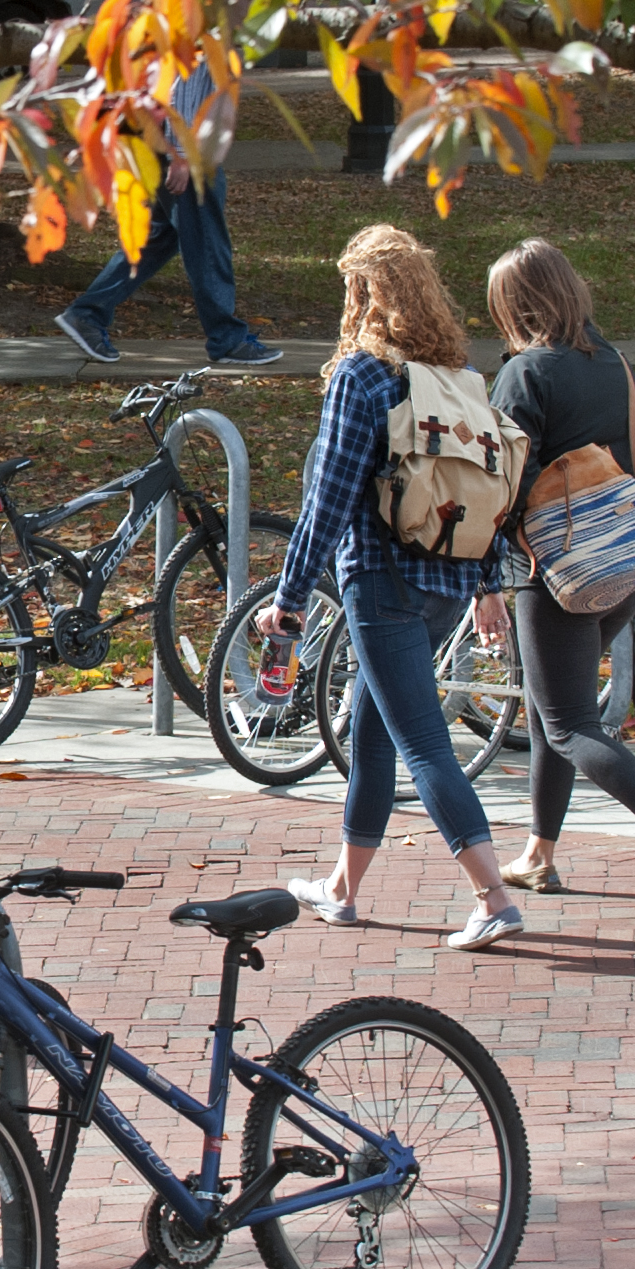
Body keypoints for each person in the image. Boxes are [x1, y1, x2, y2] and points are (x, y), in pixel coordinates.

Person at [252, 226, 523, 945]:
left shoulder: (362, 376)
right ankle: (341, 889)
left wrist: (290, 596)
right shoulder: (457, 379)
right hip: (447, 582)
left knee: (424, 745)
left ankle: (493, 897)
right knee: (371, 733)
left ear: (363, 293)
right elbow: (485, 491)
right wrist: (486, 584)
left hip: (383, 584)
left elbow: (328, 501)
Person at [485, 238, 635, 916]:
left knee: (567, 721)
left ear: (516, 306)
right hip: (621, 560)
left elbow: (502, 483)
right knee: (556, 706)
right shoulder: (615, 364)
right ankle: (539, 854)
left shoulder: (525, 375)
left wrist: (486, 579)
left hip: (553, 568)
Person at [54, 77, 277, 365]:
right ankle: (227, 338)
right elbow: (181, 89)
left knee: (159, 239)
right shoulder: (204, 32)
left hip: (164, 143)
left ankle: (87, 314)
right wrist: (182, 156)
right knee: (207, 241)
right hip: (184, 150)